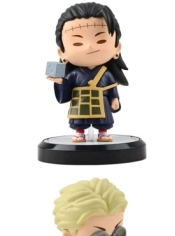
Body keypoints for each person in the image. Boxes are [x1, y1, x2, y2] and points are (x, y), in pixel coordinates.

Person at [48, 2, 128, 142]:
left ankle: (103, 132)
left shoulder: (106, 74)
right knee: (80, 120)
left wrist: (115, 99)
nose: (90, 46)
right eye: (77, 43)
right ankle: (79, 132)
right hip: (80, 101)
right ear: (62, 53)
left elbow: (112, 88)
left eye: (101, 40)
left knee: (103, 119)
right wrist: (61, 82)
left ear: (117, 48)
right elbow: (66, 88)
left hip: (101, 100)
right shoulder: (74, 74)